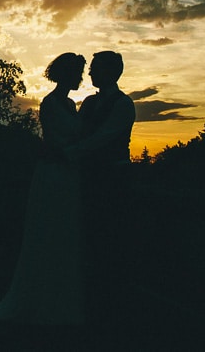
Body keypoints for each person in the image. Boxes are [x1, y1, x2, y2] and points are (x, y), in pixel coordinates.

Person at [0, 53, 87, 325]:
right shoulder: (50, 103)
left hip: (68, 174)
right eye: (77, 73)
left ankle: (57, 296)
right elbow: (56, 141)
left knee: (63, 233)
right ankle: (38, 298)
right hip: (52, 174)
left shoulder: (71, 105)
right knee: (46, 230)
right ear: (66, 74)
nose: (80, 78)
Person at [66, 50, 136, 325]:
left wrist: (70, 153)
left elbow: (104, 138)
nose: (91, 73)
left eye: (95, 68)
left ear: (110, 71)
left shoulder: (123, 104)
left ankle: (111, 308)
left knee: (110, 241)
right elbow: (81, 131)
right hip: (89, 179)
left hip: (113, 182)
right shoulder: (89, 103)